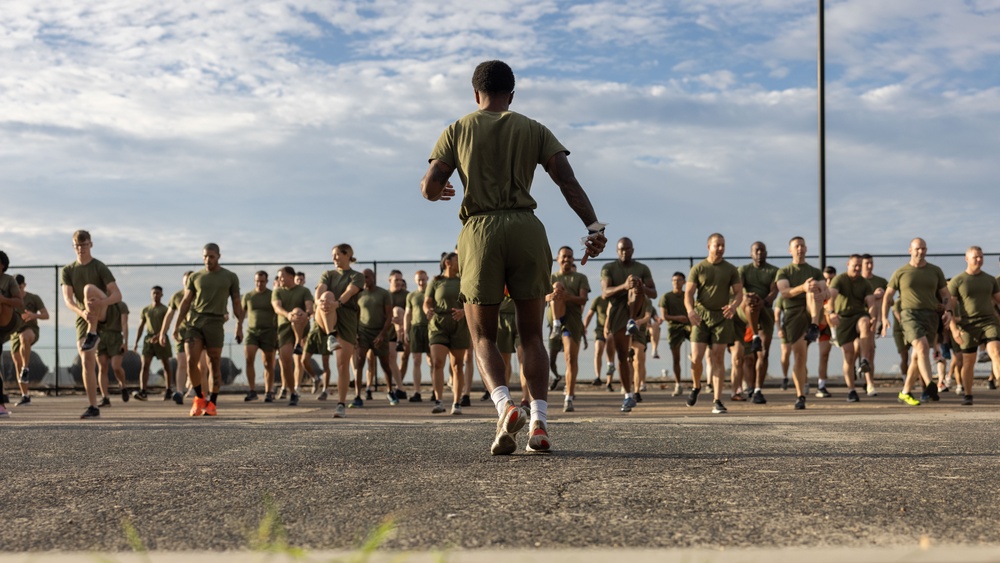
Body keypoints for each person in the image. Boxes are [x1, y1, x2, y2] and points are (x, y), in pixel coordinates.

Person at [421, 60, 605, 453]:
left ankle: (505, 407)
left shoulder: (457, 129)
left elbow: (431, 185)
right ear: (512, 95)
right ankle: (538, 421)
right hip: (526, 227)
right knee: (532, 334)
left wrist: (439, 190)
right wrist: (593, 227)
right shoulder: (533, 128)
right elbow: (566, 180)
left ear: (475, 94)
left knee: (483, 333)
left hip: (480, 231)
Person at [172, 243, 244, 417]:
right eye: (205, 256)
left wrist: (239, 326)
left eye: (211, 256)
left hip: (215, 323)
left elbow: (236, 303)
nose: (207, 260)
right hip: (195, 322)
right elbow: (186, 302)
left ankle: (212, 403)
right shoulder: (195, 277)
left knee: (214, 363)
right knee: (191, 361)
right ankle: (199, 398)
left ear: (218, 256)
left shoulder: (230, 277)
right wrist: (176, 326)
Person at [881, 238, 951, 406]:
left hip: (931, 315)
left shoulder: (935, 271)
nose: (921, 252)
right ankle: (929, 384)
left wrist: (948, 310)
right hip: (909, 315)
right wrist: (884, 318)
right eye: (918, 249)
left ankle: (905, 392)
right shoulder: (901, 272)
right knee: (922, 347)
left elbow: (946, 295)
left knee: (916, 357)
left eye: (924, 249)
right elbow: (888, 296)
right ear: (910, 250)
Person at [60, 231, 123, 419]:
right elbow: (68, 300)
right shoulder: (68, 270)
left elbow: (117, 295)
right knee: (87, 359)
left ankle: (93, 332)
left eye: (84, 245)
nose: (81, 249)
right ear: (73, 247)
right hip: (85, 317)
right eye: (77, 246)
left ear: (91, 245)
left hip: (104, 311)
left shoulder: (99, 267)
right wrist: (83, 312)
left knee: (88, 289)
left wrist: (100, 304)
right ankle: (93, 406)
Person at [684, 233, 743, 414]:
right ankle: (696, 386)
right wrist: (690, 311)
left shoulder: (731, 269)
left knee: (718, 358)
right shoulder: (699, 268)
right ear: (708, 246)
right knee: (696, 359)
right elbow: (688, 294)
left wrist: (733, 306)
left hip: (722, 317)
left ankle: (717, 400)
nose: (721, 248)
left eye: (723, 245)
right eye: (717, 245)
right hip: (701, 317)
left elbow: (739, 293)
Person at [602, 238, 655, 413]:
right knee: (623, 356)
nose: (624, 252)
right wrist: (624, 286)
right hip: (618, 312)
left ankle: (632, 321)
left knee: (636, 283)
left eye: (627, 249)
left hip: (637, 311)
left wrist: (639, 286)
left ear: (633, 250)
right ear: (617, 251)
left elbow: (653, 292)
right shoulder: (609, 268)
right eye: (621, 249)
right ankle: (628, 395)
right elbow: (605, 293)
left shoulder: (642, 268)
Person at [775, 236, 828, 410]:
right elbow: (784, 292)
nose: (800, 248)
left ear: (806, 249)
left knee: (813, 286)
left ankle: (814, 325)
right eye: (796, 246)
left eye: (802, 246)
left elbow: (826, 290)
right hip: (793, 314)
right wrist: (803, 288)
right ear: (790, 250)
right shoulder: (784, 272)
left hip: (813, 312)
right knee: (799, 356)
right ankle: (800, 395)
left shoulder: (815, 271)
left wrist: (822, 294)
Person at [314, 243, 364, 418]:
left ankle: (341, 404)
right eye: (333, 255)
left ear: (348, 254)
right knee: (326, 296)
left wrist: (338, 303)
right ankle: (330, 335)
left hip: (346, 318)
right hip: (325, 314)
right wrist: (318, 302)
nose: (334, 258)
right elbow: (320, 289)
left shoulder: (357, 276)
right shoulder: (328, 274)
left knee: (342, 364)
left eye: (337, 255)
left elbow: (350, 292)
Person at [947, 246, 1000, 406]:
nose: (979, 260)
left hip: (988, 322)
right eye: (976, 257)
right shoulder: (958, 281)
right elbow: (949, 307)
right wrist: (954, 329)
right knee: (968, 361)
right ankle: (968, 394)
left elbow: (998, 299)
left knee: (996, 351)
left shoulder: (990, 280)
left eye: (981, 257)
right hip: (967, 325)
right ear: (967, 258)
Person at [424, 253, 470, 415]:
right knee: (437, 362)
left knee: (457, 365)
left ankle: (456, 403)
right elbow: (427, 302)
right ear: (448, 262)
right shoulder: (436, 281)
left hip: (459, 325)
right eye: (458, 259)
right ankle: (439, 401)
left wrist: (464, 311)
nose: (460, 262)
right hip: (438, 325)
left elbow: (470, 301)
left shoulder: (463, 280)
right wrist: (427, 310)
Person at [546, 246, 590, 413]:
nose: (567, 259)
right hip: (555, 316)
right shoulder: (551, 278)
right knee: (556, 286)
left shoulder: (580, 277)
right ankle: (556, 324)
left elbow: (583, 299)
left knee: (570, 358)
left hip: (572, 320)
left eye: (570, 257)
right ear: (558, 259)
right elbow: (540, 298)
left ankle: (569, 397)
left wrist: (567, 297)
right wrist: (553, 295)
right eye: (564, 256)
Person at [827, 255, 877, 403]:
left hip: (859, 314)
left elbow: (871, 302)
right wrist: (831, 313)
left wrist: (873, 317)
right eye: (855, 265)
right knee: (848, 355)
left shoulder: (865, 283)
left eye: (859, 266)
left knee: (865, 323)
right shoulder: (840, 279)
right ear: (848, 264)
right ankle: (851, 389)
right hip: (843, 319)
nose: (857, 268)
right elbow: (831, 297)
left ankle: (864, 360)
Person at [737, 242, 778, 404]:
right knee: (748, 356)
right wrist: (750, 297)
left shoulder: (774, 271)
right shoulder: (744, 270)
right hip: (747, 313)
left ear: (766, 253)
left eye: (762, 250)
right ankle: (750, 387)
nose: (759, 253)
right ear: (751, 254)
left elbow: (774, 291)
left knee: (763, 353)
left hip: (765, 311)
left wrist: (764, 301)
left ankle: (759, 390)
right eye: (756, 250)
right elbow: (739, 289)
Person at [354, 268, 400, 406]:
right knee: (360, 361)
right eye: (363, 277)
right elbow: (356, 314)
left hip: (379, 332)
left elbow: (389, 315)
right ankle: (357, 395)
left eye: (367, 277)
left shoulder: (383, 293)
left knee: (385, 364)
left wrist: (382, 334)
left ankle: (390, 391)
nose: (365, 280)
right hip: (363, 332)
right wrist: (356, 332)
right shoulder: (359, 294)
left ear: (373, 277)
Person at [272, 266, 313, 407]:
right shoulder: (277, 291)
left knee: (297, 310)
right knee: (285, 361)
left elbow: (309, 307)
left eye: (282, 276)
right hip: (284, 327)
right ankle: (292, 392)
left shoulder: (304, 291)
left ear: (290, 276)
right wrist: (288, 315)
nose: (280, 279)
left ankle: (298, 343)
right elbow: (277, 307)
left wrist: (304, 314)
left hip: (301, 325)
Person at [10, 274, 49, 406]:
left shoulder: (33, 298)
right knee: (17, 364)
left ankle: (26, 369)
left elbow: (46, 315)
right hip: (15, 332)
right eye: (15, 288)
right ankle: (25, 396)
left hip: (30, 331)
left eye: (20, 287)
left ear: (24, 285)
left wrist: (33, 315)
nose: (18, 290)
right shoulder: (10, 300)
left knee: (25, 337)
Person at [133, 286, 173, 401]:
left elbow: (168, 324)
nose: (156, 295)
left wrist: (160, 334)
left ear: (162, 295)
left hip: (161, 338)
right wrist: (136, 342)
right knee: (145, 365)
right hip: (149, 339)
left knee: (166, 365)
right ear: (151, 294)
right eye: (154, 293)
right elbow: (141, 326)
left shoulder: (165, 309)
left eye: (158, 293)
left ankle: (168, 389)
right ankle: (143, 390)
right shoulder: (146, 310)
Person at [242, 271, 278, 402]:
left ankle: (269, 391)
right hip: (252, 332)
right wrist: (238, 329)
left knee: (268, 362)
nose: (259, 283)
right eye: (257, 281)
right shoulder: (248, 296)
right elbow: (241, 313)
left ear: (266, 281)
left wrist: (278, 332)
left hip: (269, 332)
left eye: (262, 281)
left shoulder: (272, 295)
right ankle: (252, 390)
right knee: (248, 358)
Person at [159, 271, 194, 405]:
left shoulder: (199, 295)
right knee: (182, 361)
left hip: (196, 332)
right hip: (181, 332)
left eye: (190, 281)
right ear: (182, 282)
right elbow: (169, 315)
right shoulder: (177, 296)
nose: (187, 284)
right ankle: (179, 391)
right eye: (185, 282)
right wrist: (163, 332)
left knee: (196, 363)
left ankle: (194, 386)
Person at [0, 252, 24, 417]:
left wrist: (2, 299)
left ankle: (0, 404)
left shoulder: (8, 280)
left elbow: (18, 302)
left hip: (7, 319)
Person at [658, 272, 690, 397]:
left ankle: (699, 384)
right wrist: (678, 318)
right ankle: (678, 384)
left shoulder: (688, 296)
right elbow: (664, 316)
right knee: (676, 358)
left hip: (689, 327)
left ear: (684, 282)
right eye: (674, 280)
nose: (676, 282)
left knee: (698, 351)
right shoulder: (666, 297)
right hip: (674, 328)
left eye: (679, 280)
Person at [861, 254, 888, 396]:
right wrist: (873, 296)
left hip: (872, 322)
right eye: (866, 263)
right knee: (853, 351)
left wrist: (883, 321)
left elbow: (888, 302)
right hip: (856, 320)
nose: (869, 266)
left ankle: (870, 383)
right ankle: (853, 383)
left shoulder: (880, 281)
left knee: (870, 352)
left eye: (871, 263)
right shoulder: (855, 281)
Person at [404, 270, 430, 402]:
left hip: (430, 328)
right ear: (415, 281)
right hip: (415, 328)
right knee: (416, 360)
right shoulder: (411, 296)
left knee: (433, 361)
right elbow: (407, 314)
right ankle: (417, 391)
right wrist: (405, 331)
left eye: (423, 279)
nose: (421, 282)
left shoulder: (431, 293)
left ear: (427, 279)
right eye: (419, 280)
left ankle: (436, 391)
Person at [96, 302, 129, 405]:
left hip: (116, 337)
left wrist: (125, 342)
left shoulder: (121, 305)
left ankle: (123, 386)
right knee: (102, 367)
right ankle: (105, 397)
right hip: (101, 336)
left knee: (116, 366)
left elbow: (124, 323)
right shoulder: (98, 303)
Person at [583, 294, 615, 388]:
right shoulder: (598, 300)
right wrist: (584, 327)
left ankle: (609, 382)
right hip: (600, 330)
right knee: (598, 349)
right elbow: (589, 315)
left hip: (612, 329)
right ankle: (598, 377)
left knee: (610, 352)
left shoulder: (614, 299)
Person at [815, 266, 837, 397]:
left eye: (831, 279)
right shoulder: (819, 292)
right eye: (826, 279)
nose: (828, 282)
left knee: (852, 351)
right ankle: (820, 385)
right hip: (823, 327)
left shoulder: (839, 289)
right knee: (823, 355)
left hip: (839, 324)